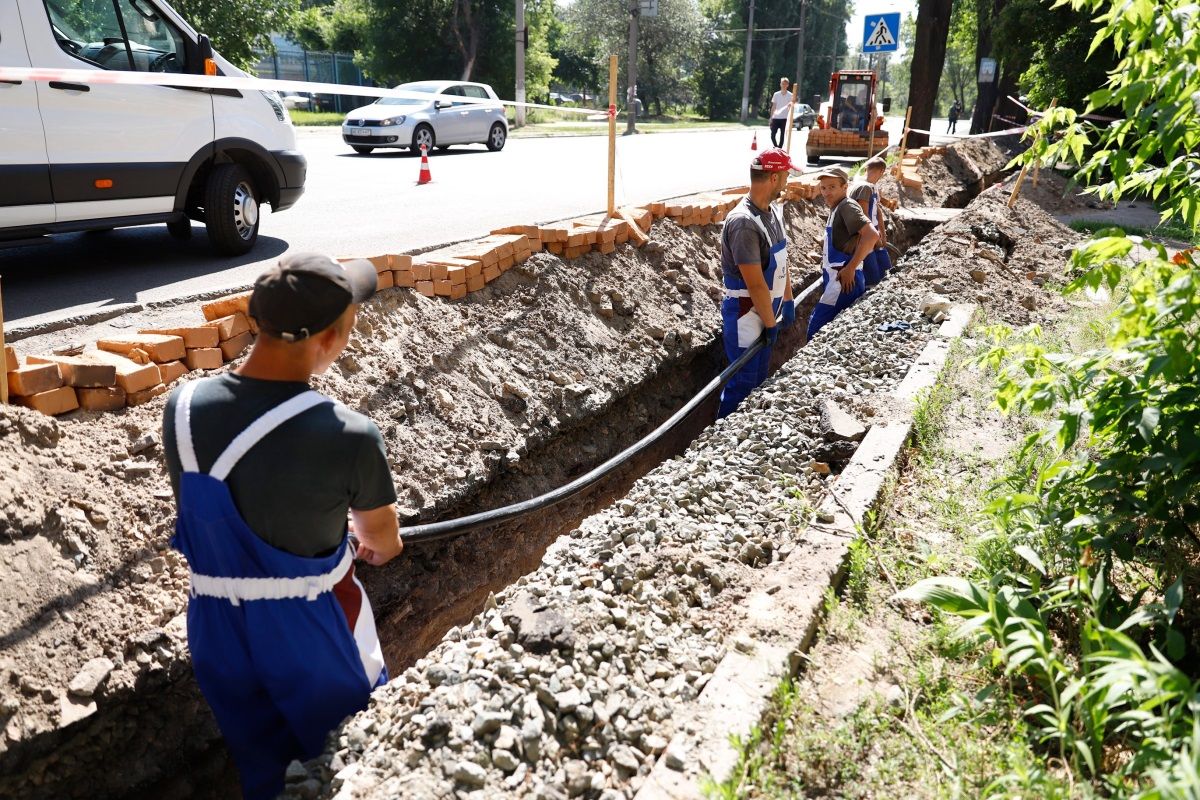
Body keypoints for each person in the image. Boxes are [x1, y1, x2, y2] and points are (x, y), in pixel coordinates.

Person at [163, 253, 404, 800]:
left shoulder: (182, 408)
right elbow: (380, 542)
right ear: (331, 336)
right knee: (348, 764)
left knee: (267, 774)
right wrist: (377, 545)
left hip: (215, 629)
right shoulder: (349, 435)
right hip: (311, 629)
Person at [718, 147, 797, 417]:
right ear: (774, 177)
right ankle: (719, 444)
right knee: (743, 383)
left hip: (766, 311)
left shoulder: (772, 213)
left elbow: (782, 262)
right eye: (786, 174)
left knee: (759, 381)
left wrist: (788, 299)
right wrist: (771, 323)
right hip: (745, 314)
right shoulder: (743, 224)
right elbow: (755, 284)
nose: (788, 180)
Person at [807, 166, 879, 340]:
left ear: (845, 187)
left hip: (842, 281)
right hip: (839, 279)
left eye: (832, 187)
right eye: (823, 188)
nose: (826, 192)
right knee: (834, 332)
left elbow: (871, 236)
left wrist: (851, 268)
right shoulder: (837, 208)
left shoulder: (847, 206)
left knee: (815, 333)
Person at [849, 156, 892, 285]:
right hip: (864, 237)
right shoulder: (864, 187)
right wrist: (875, 237)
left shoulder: (873, 187)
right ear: (881, 172)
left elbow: (877, 212)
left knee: (886, 268)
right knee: (872, 275)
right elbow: (864, 216)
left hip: (873, 235)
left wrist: (883, 235)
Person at [769, 77, 794, 148]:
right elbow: (773, 106)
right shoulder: (776, 94)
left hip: (785, 118)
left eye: (785, 84)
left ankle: (779, 148)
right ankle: (776, 147)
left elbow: (791, 107)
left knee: (782, 135)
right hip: (776, 118)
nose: (784, 85)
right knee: (772, 135)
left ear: (787, 85)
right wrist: (771, 117)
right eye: (782, 84)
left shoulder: (790, 95)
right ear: (780, 84)